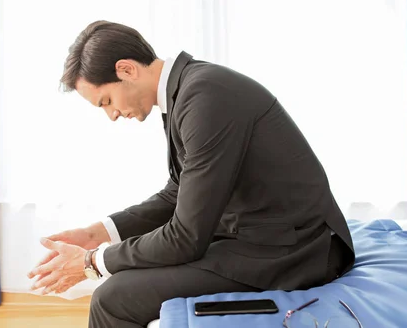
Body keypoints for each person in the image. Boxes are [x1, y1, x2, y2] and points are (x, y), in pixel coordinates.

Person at [27, 20, 356, 328]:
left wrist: (92, 261)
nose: (112, 115)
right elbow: (178, 190)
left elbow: (185, 238)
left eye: (106, 101)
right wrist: (98, 233)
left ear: (126, 69)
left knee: (113, 298)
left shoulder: (206, 97)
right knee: (118, 287)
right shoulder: (192, 89)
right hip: (265, 235)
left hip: (295, 251)